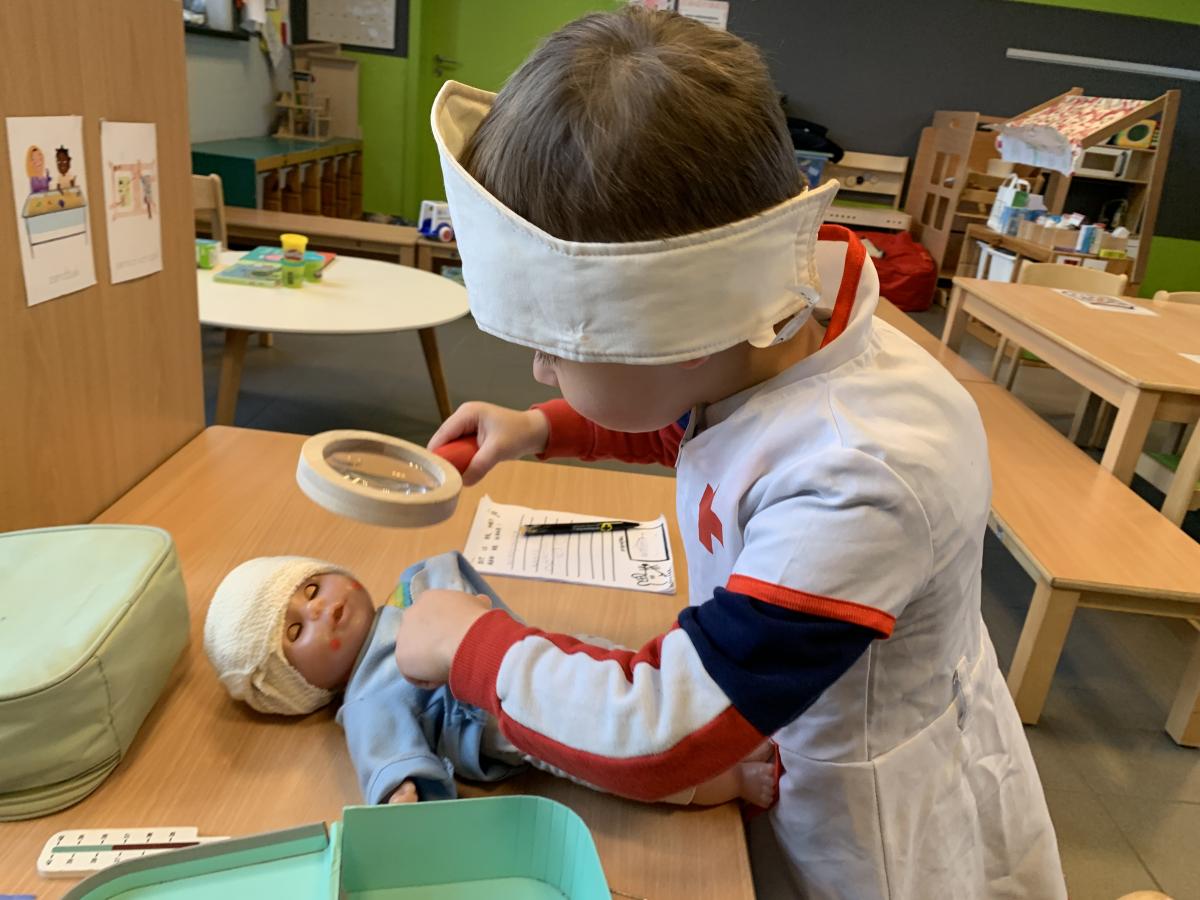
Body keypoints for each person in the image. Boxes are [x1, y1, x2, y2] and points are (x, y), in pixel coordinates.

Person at [390, 8, 1068, 899]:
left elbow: (663, 732)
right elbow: (703, 418)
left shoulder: (860, 474)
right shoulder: (771, 337)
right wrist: (548, 426)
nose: (538, 368)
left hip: (874, 842)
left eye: (554, 348)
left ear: (676, 332)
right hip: (780, 734)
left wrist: (474, 647)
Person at [202, 551, 775, 808]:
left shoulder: (407, 588)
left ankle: (720, 722)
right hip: (511, 717)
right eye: (296, 630)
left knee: (617, 664)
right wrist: (401, 792)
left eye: (311, 588)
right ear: (301, 688)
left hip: (531, 650)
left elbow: (453, 577)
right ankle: (724, 783)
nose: (319, 609)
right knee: (611, 752)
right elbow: (385, 756)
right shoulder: (367, 696)